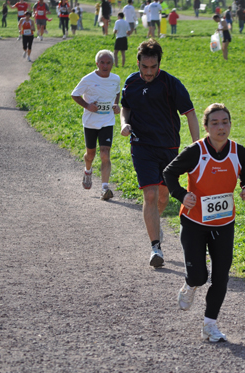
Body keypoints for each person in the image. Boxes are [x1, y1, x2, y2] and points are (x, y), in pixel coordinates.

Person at [163, 103, 245, 343]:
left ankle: (209, 325)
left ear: (230, 124)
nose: (220, 127)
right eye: (214, 123)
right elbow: (169, 173)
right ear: (205, 127)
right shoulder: (196, 151)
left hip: (224, 223)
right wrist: (182, 195)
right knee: (198, 277)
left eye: (225, 122)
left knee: (221, 277)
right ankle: (190, 285)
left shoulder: (238, 151)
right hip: (194, 222)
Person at [119, 39, 200, 268]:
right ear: (138, 63)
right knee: (151, 196)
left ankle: (155, 224)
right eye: (144, 67)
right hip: (141, 147)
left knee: (164, 196)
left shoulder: (170, 84)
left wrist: (198, 147)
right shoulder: (131, 83)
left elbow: (190, 113)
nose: (148, 72)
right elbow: (126, 106)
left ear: (159, 65)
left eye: (153, 67)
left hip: (168, 148)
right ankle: (156, 247)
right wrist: (125, 123)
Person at [71, 50, 121, 201]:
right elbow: (74, 94)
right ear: (97, 63)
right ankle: (87, 170)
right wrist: (87, 105)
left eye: (108, 63)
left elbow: (117, 92)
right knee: (90, 154)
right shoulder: (88, 79)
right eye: (102, 62)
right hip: (91, 122)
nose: (105, 66)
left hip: (107, 121)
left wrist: (116, 104)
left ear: (112, 64)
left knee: (105, 153)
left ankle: (105, 188)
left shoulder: (116, 78)